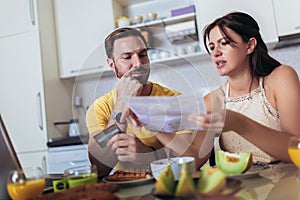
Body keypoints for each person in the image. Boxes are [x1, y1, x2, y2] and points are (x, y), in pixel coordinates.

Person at [86, 28, 210, 177]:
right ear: (112, 65)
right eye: (127, 57)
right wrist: (120, 107)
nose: (138, 63)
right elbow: (99, 167)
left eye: (142, 55)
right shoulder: (101, 107)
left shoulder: (174, 101)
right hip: (125, 187)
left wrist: (151, 157)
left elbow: (187, 159)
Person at [188, 12, 300, 164]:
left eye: (224, 43)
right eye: (212, 47)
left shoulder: (281, 78)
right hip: (243, 187)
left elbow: (296, 148)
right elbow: (195, 159)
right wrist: (157, 128)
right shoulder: (211, 101)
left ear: (250, 45)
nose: (216, 53)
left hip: (290, 183)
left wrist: (239, 123)